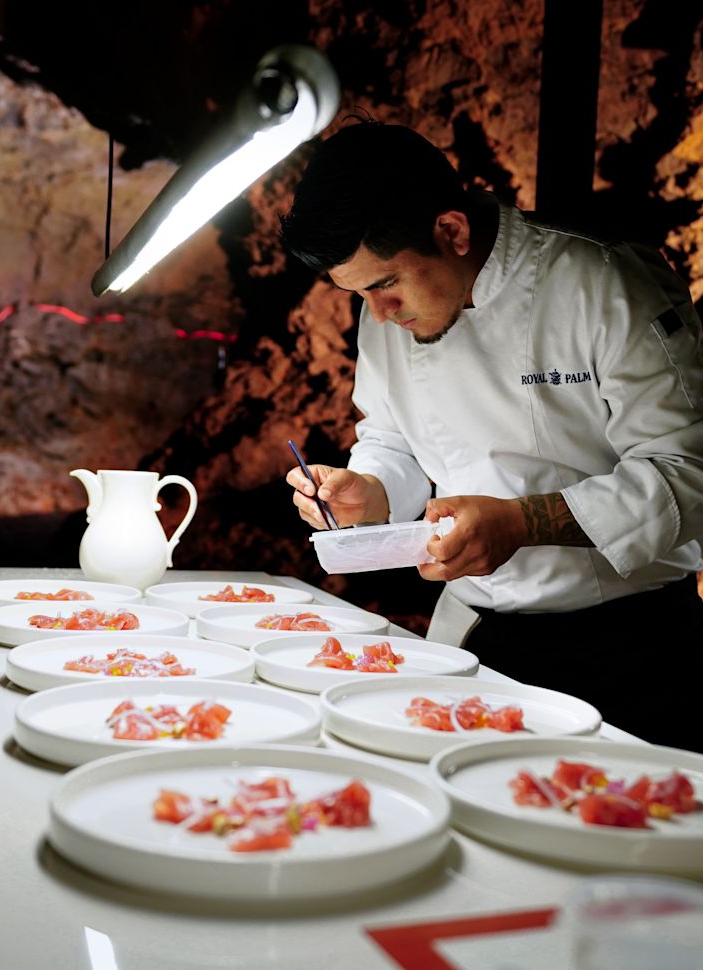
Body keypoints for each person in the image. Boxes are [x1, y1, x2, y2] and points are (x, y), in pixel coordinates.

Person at [279, 121, 703, 750]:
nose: (378, 313)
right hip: (476, 637)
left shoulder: (602, 279)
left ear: (450, 232)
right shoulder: (386, 309)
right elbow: (391, 438)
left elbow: (686, 470)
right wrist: (364, 490)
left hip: (632, 645)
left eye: (385, 283)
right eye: (359, 291)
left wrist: (524, 522)